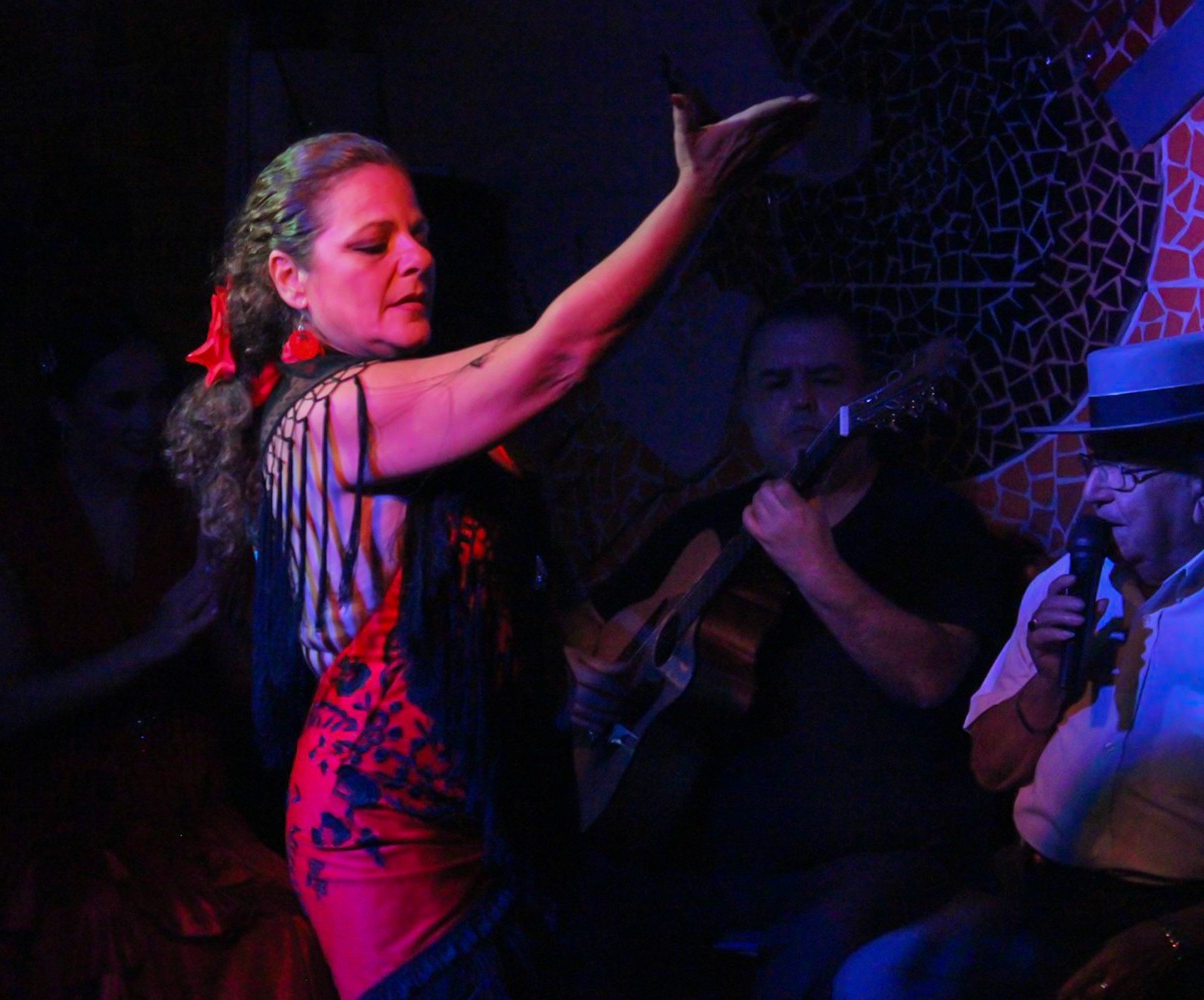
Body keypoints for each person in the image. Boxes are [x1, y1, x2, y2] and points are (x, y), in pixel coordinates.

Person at [163, 93, 818, 999]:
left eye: (419, 233)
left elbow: (514, 579)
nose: (418, 258)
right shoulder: (328, 415)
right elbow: (560, 355)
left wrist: (575, 649)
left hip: (486, 800)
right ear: (290, 279)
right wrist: (696, 191)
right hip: (388, 839)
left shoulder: (421, 405)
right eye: (373, 243)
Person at [566, 297, 1012, 1000]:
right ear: (746, 406)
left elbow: (936, 678)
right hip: (706, 859)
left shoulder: (929, 519)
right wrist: (584, 674)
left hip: (873, 861)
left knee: (812, 964)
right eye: (777, 384)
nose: (801, 402)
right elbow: (586, 624)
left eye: (826, 380)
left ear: (869, 397)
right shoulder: (711, 524)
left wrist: (814, 562)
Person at [0, 318, 334, 1000]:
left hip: (186, 815)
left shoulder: (186, 513)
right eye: (120, 403)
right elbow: (5, 708)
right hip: (69, 821)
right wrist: (149, 647)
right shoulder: (15, 529)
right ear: (63, 412)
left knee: (281, 937)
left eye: (156, 400)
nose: (146, 422)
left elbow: (245, 686)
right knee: (98, 941)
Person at [834, 334, 1204, 1000]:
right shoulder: (1067, 585)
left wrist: (1175, 938)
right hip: (1038, 894)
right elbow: (988, 768)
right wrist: (1045, 677)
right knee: (872, 981)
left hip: (1175, 918)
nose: (1094, 494)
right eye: (1094, 465)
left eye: (1125, 472)